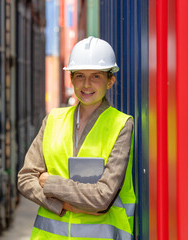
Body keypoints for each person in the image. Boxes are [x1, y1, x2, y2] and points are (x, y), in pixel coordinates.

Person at [17, 36, 135, 240]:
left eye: (96, 76)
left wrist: (50, 183)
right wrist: (62, 205)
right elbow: (26, 178)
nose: (86, 84)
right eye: (80, 75)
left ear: (110, 81)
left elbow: (102, 198)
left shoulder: (121, 125)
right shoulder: (53, 119)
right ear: (71, 79)